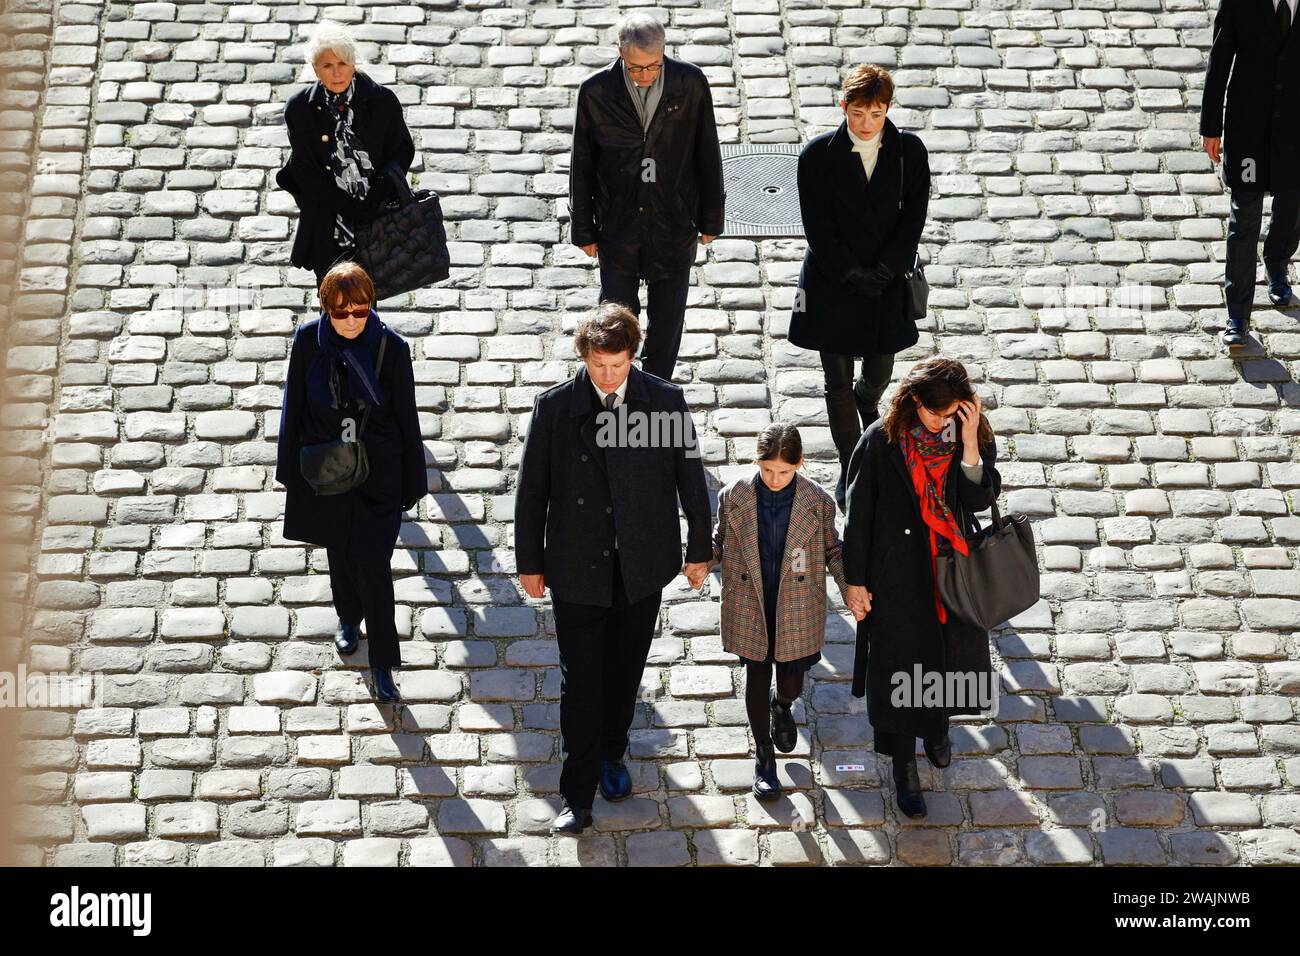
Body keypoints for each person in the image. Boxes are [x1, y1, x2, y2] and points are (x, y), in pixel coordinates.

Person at [514, 302, 712, 834]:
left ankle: (613, 754)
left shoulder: (664, 403)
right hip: (577, 566)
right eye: (599, 365)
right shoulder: (554, 409)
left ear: (632, 357)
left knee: (625, 672)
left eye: (617, 365)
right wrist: (529, 561)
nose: (608, 376)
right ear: (584, 357)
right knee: (580, 684)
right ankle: (576, 795)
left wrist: (699, 549)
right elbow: (532, 492)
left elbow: (691, 479)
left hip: (642, 567)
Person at [841, 358, 1001, 819]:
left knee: (946, 659)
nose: (942, 422)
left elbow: (980, 498)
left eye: (952, 414)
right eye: (936, 415)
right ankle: (904, 768)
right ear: (915, 403)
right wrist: (855, 581)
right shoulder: (881, 441)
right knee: (900, 670)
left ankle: (937, 729)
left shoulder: (970, 434)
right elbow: (858, 516)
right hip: (896, 578)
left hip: (951, 573)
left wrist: (969, 446)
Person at [275, 262, 427, 703]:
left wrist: (411, 484)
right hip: (328, 465)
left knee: (374, 566)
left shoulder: (391, 348)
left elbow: (407, 418)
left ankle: (383, 664)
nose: (351, 321)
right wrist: (291, 473)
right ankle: (347, 618)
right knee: (339, 550)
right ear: (325, 309)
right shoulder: (308, 341)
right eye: (341, 313)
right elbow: (294, 406)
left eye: (359, 311)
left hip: (378, 471)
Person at [787, 65, 931, 513]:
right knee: (836, 383)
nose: (867, 123)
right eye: (858, 112)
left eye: (876, 112)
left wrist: (885, 270)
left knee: (878, 377)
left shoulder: (908, 151)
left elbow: (914, 218)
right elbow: (818, 227)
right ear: (843, 106)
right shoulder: (817, 156)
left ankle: (867, 409)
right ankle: (853, 470)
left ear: (887, 109)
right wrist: (851, 272)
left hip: (887, 282)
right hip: (833, 282)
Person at [568, 13, 726, 382]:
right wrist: (584, 230)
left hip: (673, 222)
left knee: (668, 324)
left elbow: (707, 152)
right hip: (618, 225)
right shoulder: (596, 91)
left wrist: (710, 219)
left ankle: (655, 392)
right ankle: (615, 390)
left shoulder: (690, 83)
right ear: (620, 53)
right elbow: (582, 163)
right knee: (614, 324)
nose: (645, 75)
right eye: (636, 68)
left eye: (653, 66)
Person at [710, 423, 862, 802]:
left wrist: (851, 591)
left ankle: (783, 705)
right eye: (767, 470)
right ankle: (763, 756)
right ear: (756, 462)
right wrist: (698, 562)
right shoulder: (735, 496)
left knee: (791, 679)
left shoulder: (818, 502)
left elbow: (833, 551)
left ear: (800, 465)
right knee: (756, 677)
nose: (775, 479)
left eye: (784, 471)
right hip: (750, 602)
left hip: (797, 606)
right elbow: (719, 540)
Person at [276, 20, 416, 288]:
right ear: (316, 69)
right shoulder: (299, 109)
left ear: (353, 63)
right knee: (332, 300)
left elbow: (402, 150)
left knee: (366, 301)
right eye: (327, 66)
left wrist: (378, 193)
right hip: (326, 222)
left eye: (342, 64)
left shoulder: (383, 101)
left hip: (378, 220)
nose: (337, 73)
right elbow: (304, 170)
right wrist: (347, 206)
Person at [1200, 0, 1300, 348]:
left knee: (1291, 206)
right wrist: (1211, 126)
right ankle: (1238, 315)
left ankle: (1277, 263)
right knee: (1244, 219)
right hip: (1248, 132)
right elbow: (1221, 57)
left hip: (1295, 133)